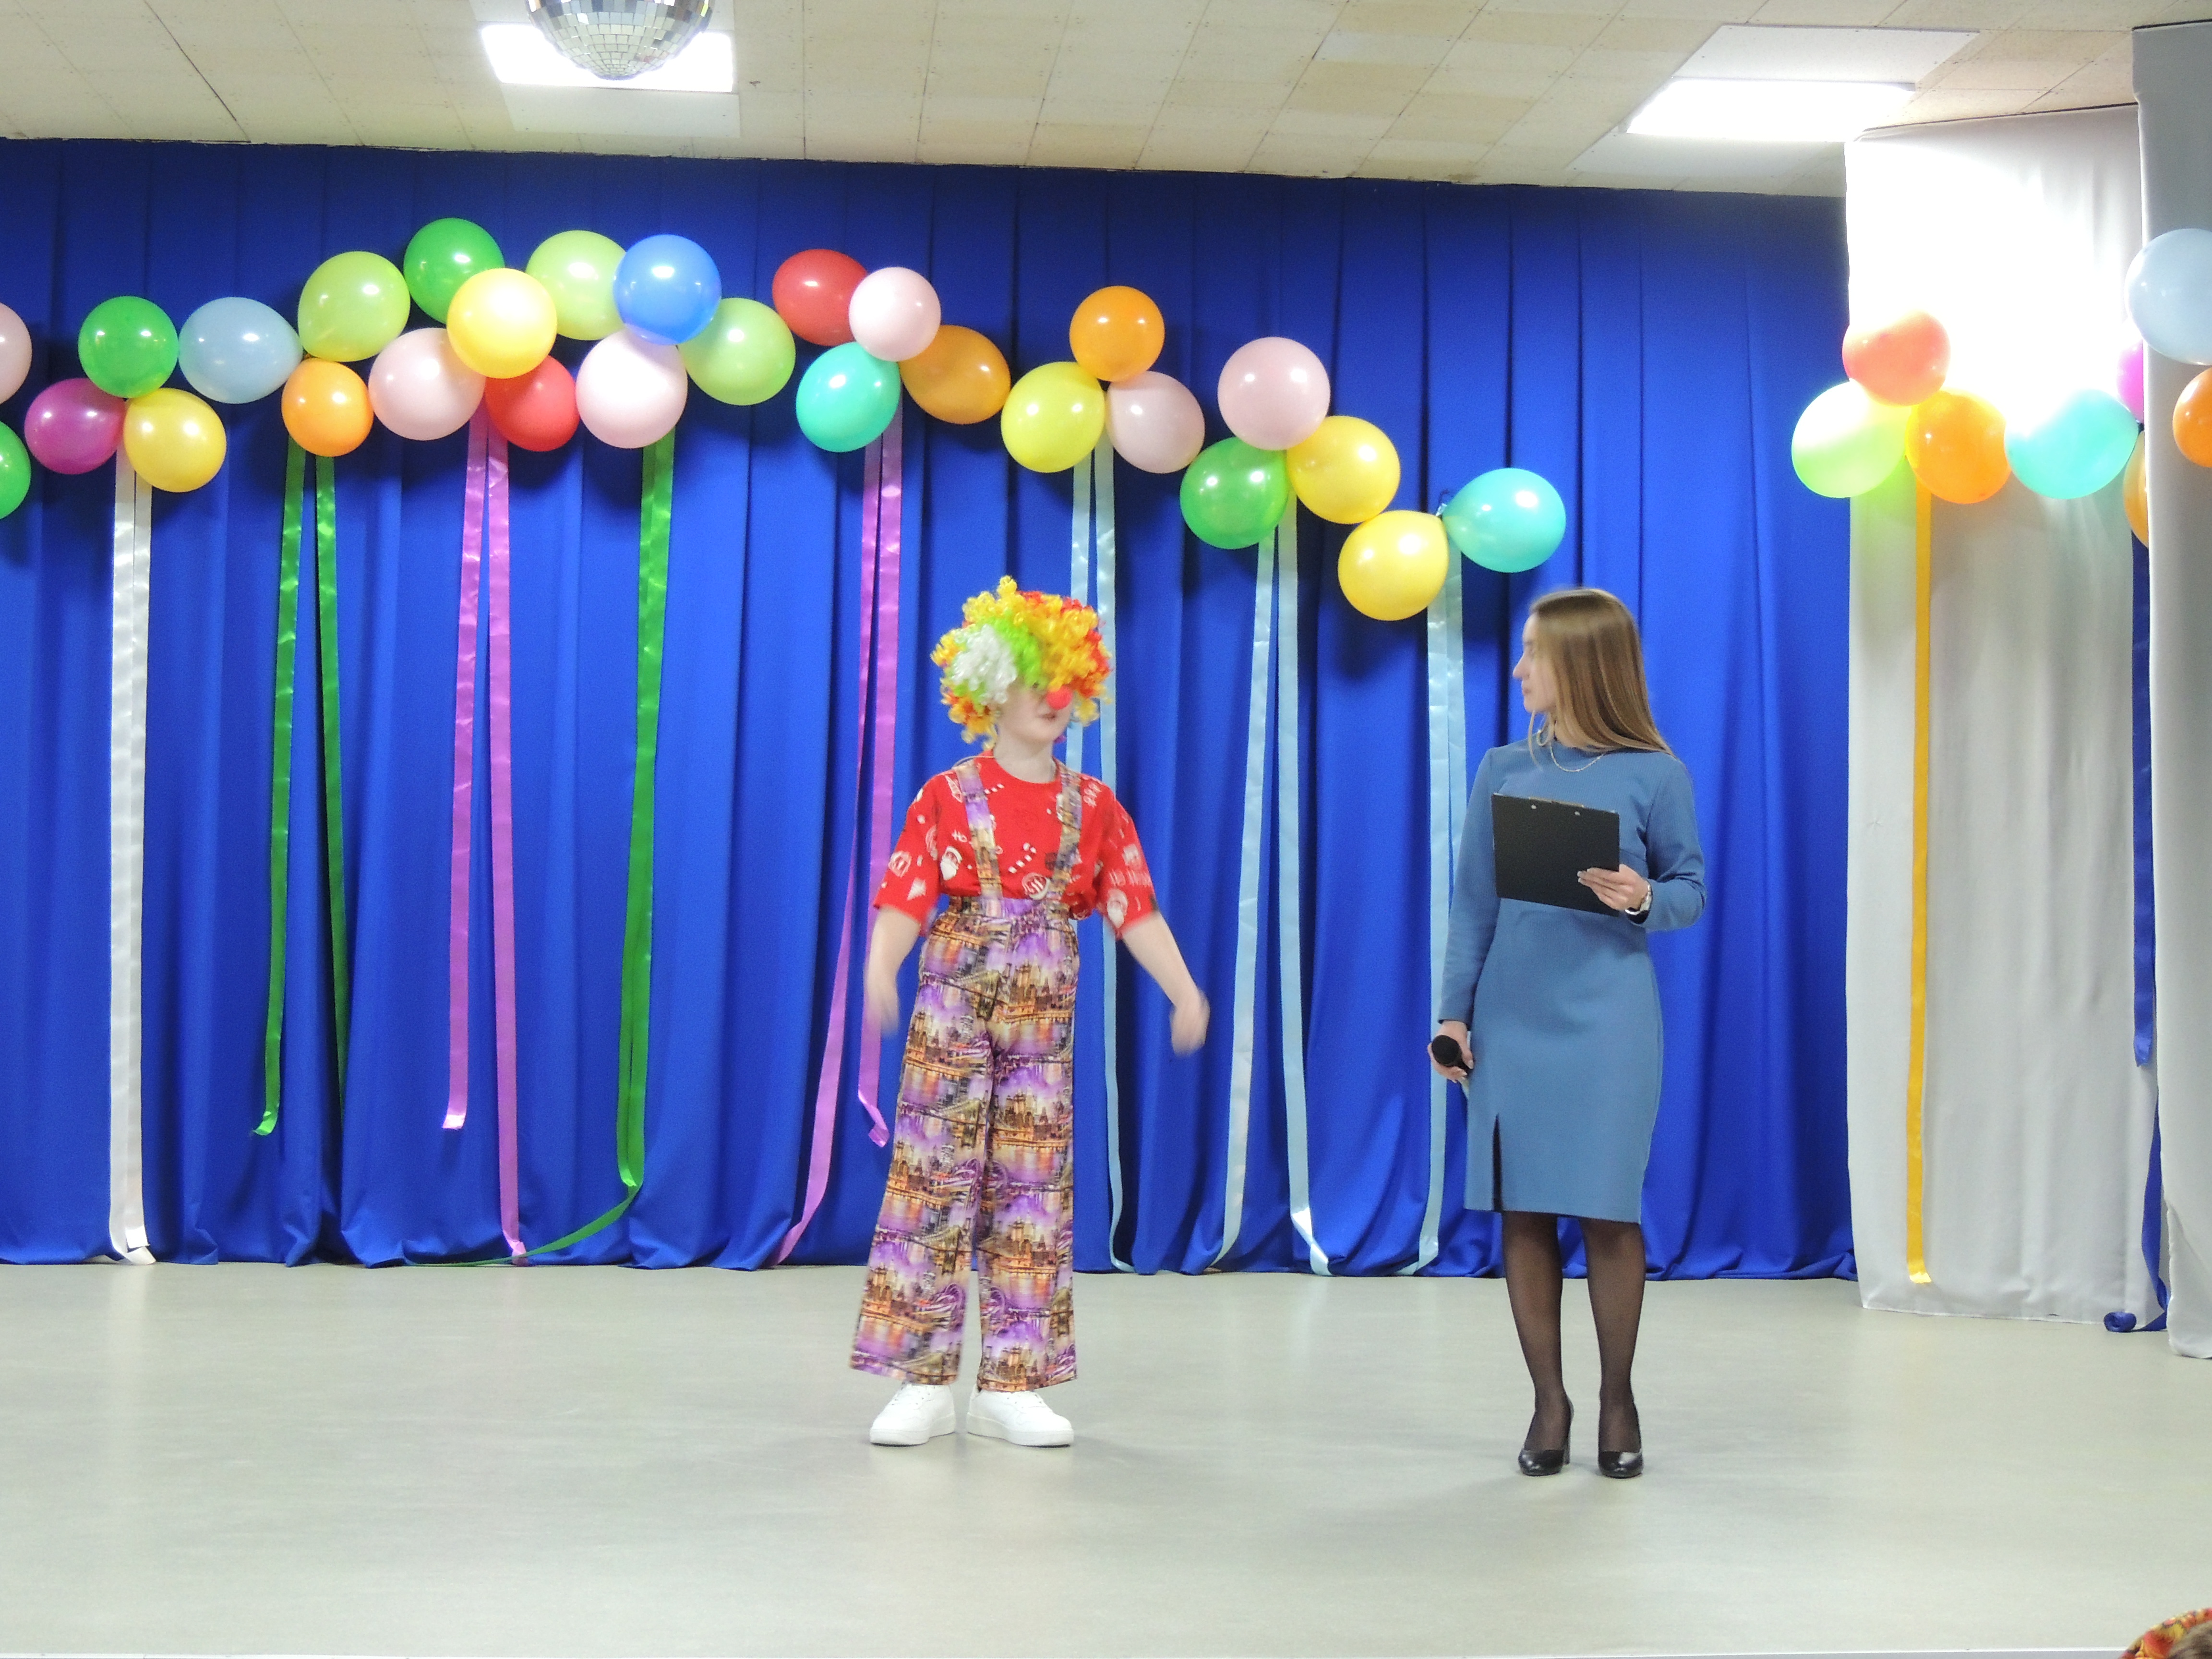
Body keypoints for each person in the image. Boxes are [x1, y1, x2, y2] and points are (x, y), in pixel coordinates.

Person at [851, 578, 1209, 1449]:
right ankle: (923, 1382)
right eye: (1033, 680)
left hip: (1041, 1025)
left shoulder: (1095, 807)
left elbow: (1133, 907)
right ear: (988, 689)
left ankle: (1012, 1384)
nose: (1053, 697)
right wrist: (881, 968)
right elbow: (906, 894)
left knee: (1032, 1190)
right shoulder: (947, 795)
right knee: (933, 1180)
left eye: (1066, 681)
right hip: (953, 1005)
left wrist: (1184, 990)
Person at [1431, 588, 1706, 1480]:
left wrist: (1644, 897)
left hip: (1610, 1021)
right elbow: (1472, 905)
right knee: (1525, 1209)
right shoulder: (1503, 769)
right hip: (1514, 1019)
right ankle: (1550, 1401)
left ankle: (1618, 1398)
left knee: (1609, 1210)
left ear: (1581, 665)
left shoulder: (1655, 775)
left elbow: (1691, 890)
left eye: (1532, 653)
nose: (1518, 670)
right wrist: (1453, 1016)